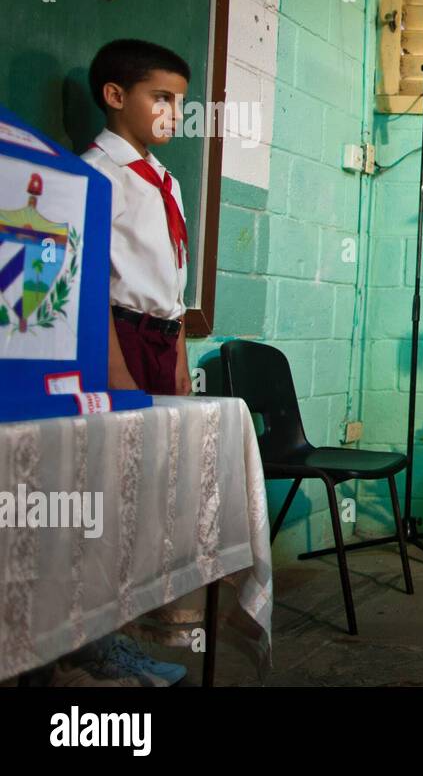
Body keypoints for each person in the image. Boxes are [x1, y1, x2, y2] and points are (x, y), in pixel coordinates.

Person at [48, 39, 194, 686]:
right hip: (117, 343)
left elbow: (172, 283)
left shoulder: (167, 181)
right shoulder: (91, 175)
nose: (173, 114)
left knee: (149, 491)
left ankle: (126, 631)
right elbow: (90, 284)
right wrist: (116, 367)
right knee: (103, 489)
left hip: (163, 342)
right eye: (160, 98)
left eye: (181, 103)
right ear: (114, 96)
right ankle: (88, 642)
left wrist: (181, 358)